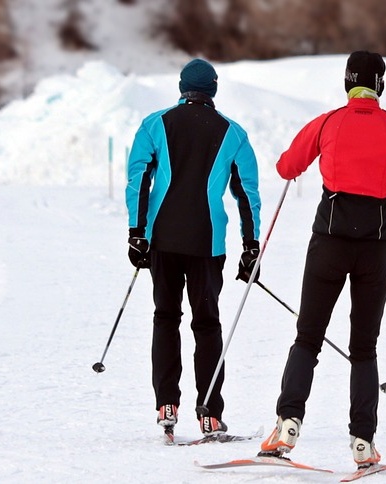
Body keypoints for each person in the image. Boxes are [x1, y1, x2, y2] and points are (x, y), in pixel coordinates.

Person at [259, 51, 386, 467]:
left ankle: (287, 423)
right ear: (380, 85)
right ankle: (363, 441)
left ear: (347, 82)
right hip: (376, 249)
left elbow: (286, 167)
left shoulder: (328, 123)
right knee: (364, 347)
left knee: (308, 336)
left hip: (329, 243)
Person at [125, 58, 262, 438]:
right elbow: (247, 194)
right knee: (207, 324)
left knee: (166, 317)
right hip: (207, 243)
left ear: (182, 87)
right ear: (213, 89)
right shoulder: (233, 133)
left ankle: (166, 404)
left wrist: (137, 233)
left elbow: (139, 179)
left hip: (163, 240)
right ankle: (210, 414)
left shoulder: (154, 124)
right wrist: (251, 246)